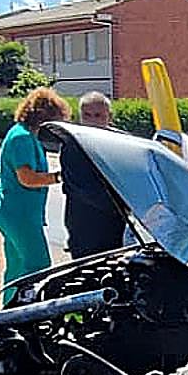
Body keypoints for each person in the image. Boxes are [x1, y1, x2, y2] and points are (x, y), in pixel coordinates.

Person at [0, 87, 69, 305]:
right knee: (38, 265)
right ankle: (27, 311)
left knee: (17, 268)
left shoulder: (22, 134)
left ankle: (9, 310)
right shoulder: (23, 138)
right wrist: (60, 177)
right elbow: (27, 178)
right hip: (19, 213)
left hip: (13, 211)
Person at [60, 91, 126, 259]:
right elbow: (84, 187)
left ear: (109, 116)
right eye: (87, 115)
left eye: (98, 115)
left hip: (114, 224)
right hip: (85, 223)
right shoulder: (72, 145)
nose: (92, 121)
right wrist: (122, 205)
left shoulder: (120, 141)